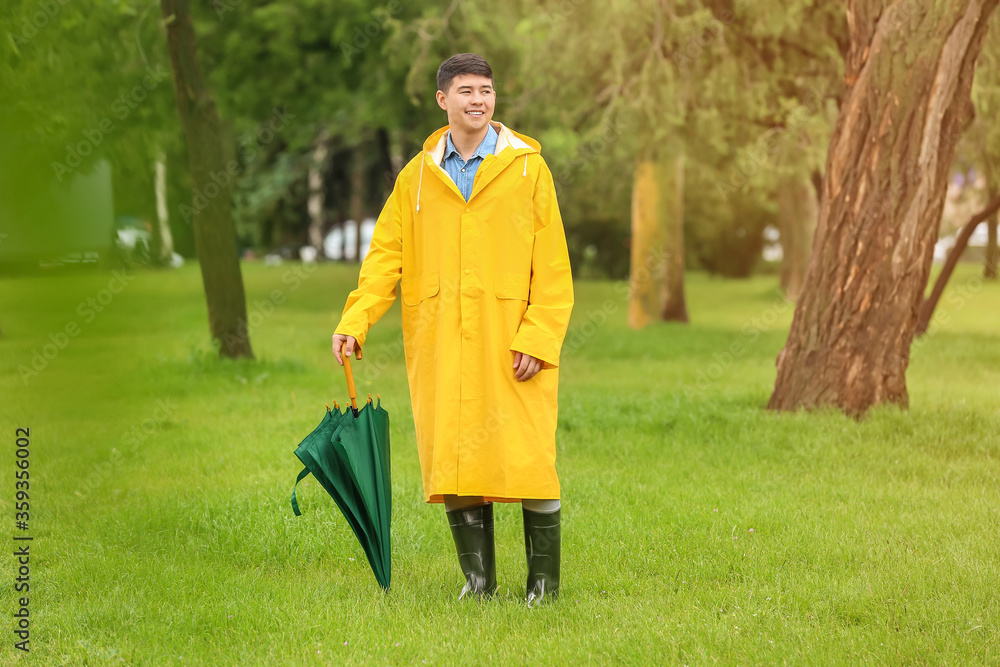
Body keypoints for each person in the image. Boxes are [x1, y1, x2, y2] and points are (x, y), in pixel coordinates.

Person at [331, 53, 574, 605]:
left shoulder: (527, 169)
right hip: (441, 341)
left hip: (509, 336)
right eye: (466, 91)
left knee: (530, 458)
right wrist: (356, 320)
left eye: (486, 91)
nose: (478, 101)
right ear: (443, 100)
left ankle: (543, 585)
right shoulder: (416, 178)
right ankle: (478, 581)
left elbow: (554, 268)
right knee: (458, 458)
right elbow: (384, 257)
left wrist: (537, 337)